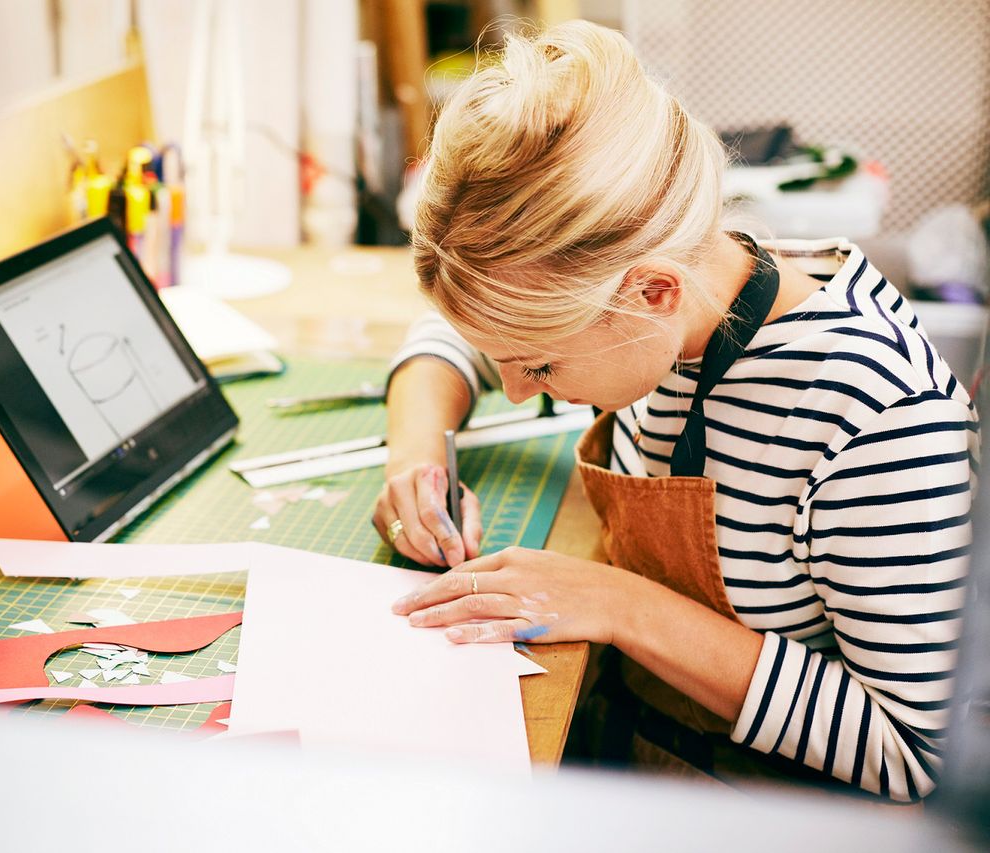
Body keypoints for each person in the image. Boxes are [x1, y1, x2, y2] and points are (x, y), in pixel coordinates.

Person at [375, 21, 976, 802]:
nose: (517, 390)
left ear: (654, 291)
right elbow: (453, 338)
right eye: (510, 359)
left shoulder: (876, 420)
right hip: (631, 749)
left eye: (545, 365)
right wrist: (418, 454)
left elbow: (914, 751)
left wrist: (622, 604)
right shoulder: (670, 289)